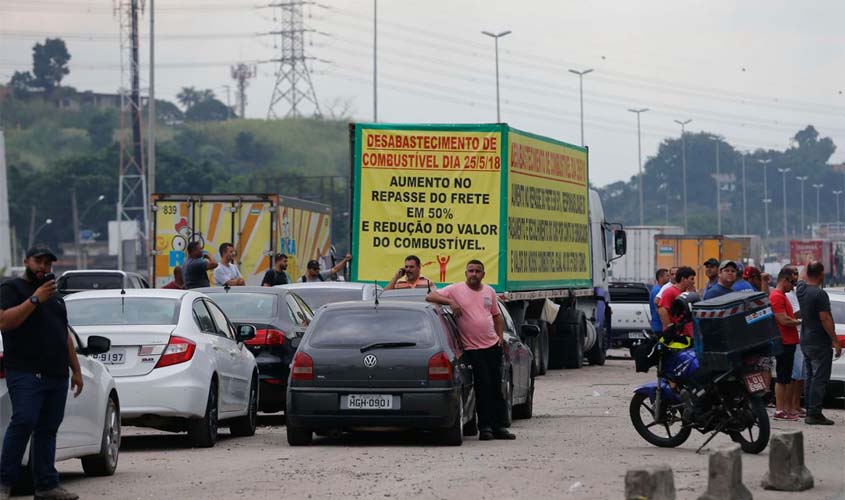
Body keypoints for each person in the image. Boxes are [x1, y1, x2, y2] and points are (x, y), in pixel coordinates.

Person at [0, 247, 83, 500]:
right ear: (26, 260)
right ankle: (4, 483)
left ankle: (46, 485)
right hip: (25, 371)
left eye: (48, 263)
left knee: (48, 429)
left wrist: (76, 370)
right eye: (38, 261)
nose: (43, 267)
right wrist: (35, 299)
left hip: (57, 374)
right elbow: (5, 321)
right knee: (23, 421)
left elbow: (64, 334)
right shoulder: (11, 289)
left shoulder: (55, 297)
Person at [425, 260, 514, 441]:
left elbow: (497, 317)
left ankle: (499, 427)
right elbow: (430, 297)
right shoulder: (455, 290)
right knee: (483, 386)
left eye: (478, 271)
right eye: (471, 271)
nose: (474, 274)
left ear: (483, 274)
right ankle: (485, 427)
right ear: (466, 273)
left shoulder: (489, 291)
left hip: (492, 345)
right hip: (473, 348)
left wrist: (499, 337)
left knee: (497, 387)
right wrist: (451, 302)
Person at [795, 261, 842, 425]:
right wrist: (835, 341)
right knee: (820, 378)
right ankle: (814, 413)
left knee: (810, 376)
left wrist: (808, 263)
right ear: (821, 274)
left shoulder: (801, 290)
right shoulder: (819, 294)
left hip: (806, 340)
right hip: (819, 341)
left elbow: (801, 276)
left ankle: (810, 411)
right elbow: (825, 318)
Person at [769, 268, 801, 421]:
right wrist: (799, 322)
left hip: (789, 341)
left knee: (787, 377)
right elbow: (783, 319)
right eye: (792, 283)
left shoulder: (782, 296)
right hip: (783, 341)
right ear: (785, 280)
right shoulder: (776, 296)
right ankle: (779, 409)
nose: (793, 287)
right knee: (782, 378)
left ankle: (785, 408)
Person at [658, 266, 696, 337]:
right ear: (683, 279)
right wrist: (669, 328)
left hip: (686, 333)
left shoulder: (687, 292)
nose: (693, 282)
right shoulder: (670, 291)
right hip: (676, 335)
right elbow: (662, 310)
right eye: (691, 279)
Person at [649, 268, 670, 334]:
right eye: (667, 276)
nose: (669, 278)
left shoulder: (659, 289)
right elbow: (659, 308)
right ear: (660, 277)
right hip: (659, 325)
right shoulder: (658, 290)